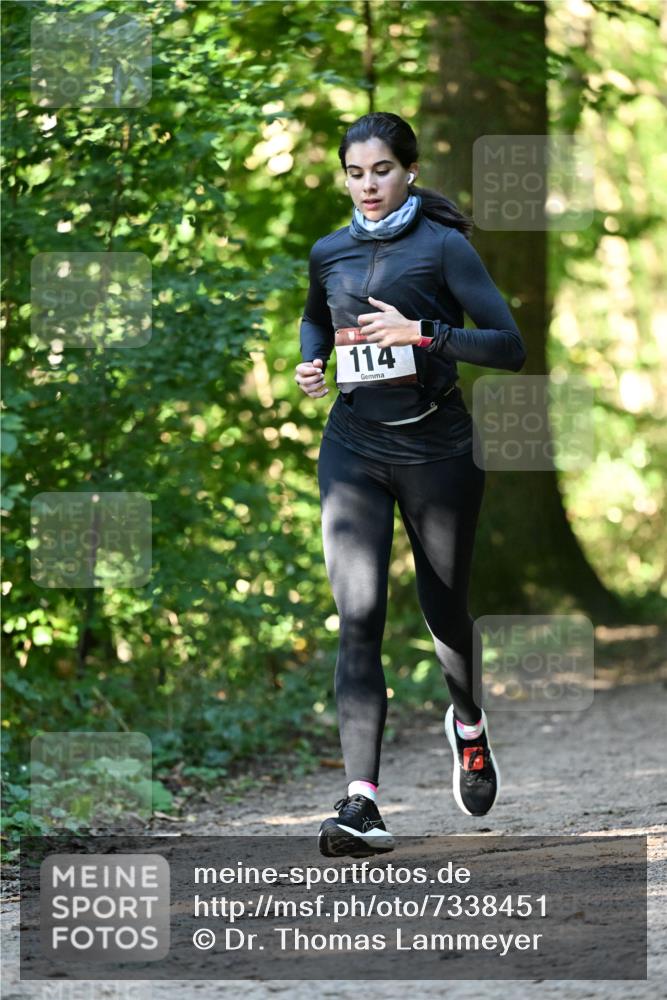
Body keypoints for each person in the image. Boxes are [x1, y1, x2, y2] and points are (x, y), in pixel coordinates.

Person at [295, 112, 526, 859]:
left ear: (408, 171)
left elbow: (510, 347)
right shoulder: (327, 251)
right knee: (357, 615)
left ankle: (467, 722)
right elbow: (313, 320)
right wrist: (310, 362)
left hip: (437, 451)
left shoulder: (442, 248)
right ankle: (361, 801)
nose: (367, 186)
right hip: (353, 447)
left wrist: (423, 333)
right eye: (354, 173)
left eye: (381, 171)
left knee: (443, 611)